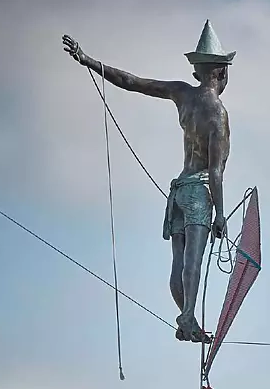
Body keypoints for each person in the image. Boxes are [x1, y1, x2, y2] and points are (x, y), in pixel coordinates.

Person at [62, 21, 235, 343]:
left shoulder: (182, 93)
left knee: (178, 261)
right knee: (193, 260)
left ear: (197, 72)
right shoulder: (217, 114)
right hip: (199, 191)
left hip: (179, 189)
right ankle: (187, 317)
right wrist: (221, 214)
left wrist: (89, 61)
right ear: (222, 73)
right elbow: (215, 171)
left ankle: (187, 319)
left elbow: (133, 82)